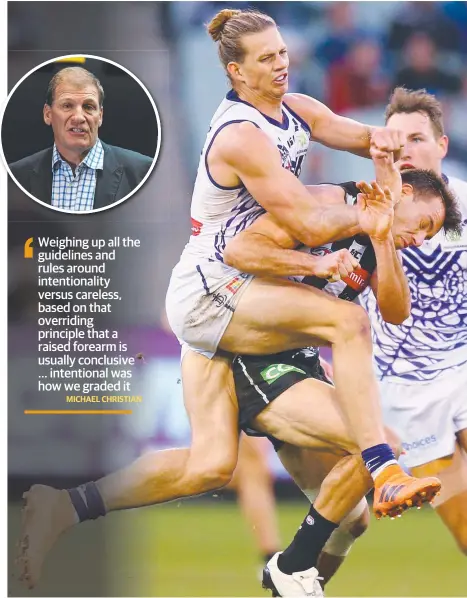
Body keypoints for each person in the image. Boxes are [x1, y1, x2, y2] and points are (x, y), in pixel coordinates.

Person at [16, 9, 437, 587]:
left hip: (241, 298)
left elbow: (365, 138)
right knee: (346, 327)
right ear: (236, 72)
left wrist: (395, 146)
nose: (282, 63)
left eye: (283, 51)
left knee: (213, 465)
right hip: (217, 288)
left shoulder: (296, 113)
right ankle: (364, 488)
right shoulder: (242, 137)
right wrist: (367, 217)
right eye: (266, 58)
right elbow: (304, 226)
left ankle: (67, 507)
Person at [224, 161, 461, 596]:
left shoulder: (378, 240)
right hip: (250, 354)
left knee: (352, 521)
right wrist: (315, 265)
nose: (423, 238)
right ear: (403, 192)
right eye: (425, 224)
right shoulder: (330, 202)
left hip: (300, 362)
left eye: (430, 235)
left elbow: (395, 310)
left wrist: (385, 237)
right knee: (378, 447)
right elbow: (238, 251)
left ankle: (292, 581)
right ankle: (290, 566)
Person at [361, 87, 467, 557]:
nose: (407, 150)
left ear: (442, 146)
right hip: (407, 392)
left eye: (419, 139)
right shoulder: (362, 211)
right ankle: (296, 574)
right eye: (396, 140)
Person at [9, 66, 153, 211]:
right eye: (67, 105)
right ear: (48, 114)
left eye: (88, 107)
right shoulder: (14, 177)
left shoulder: (144, 172)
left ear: (100, 116)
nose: (78, 117)